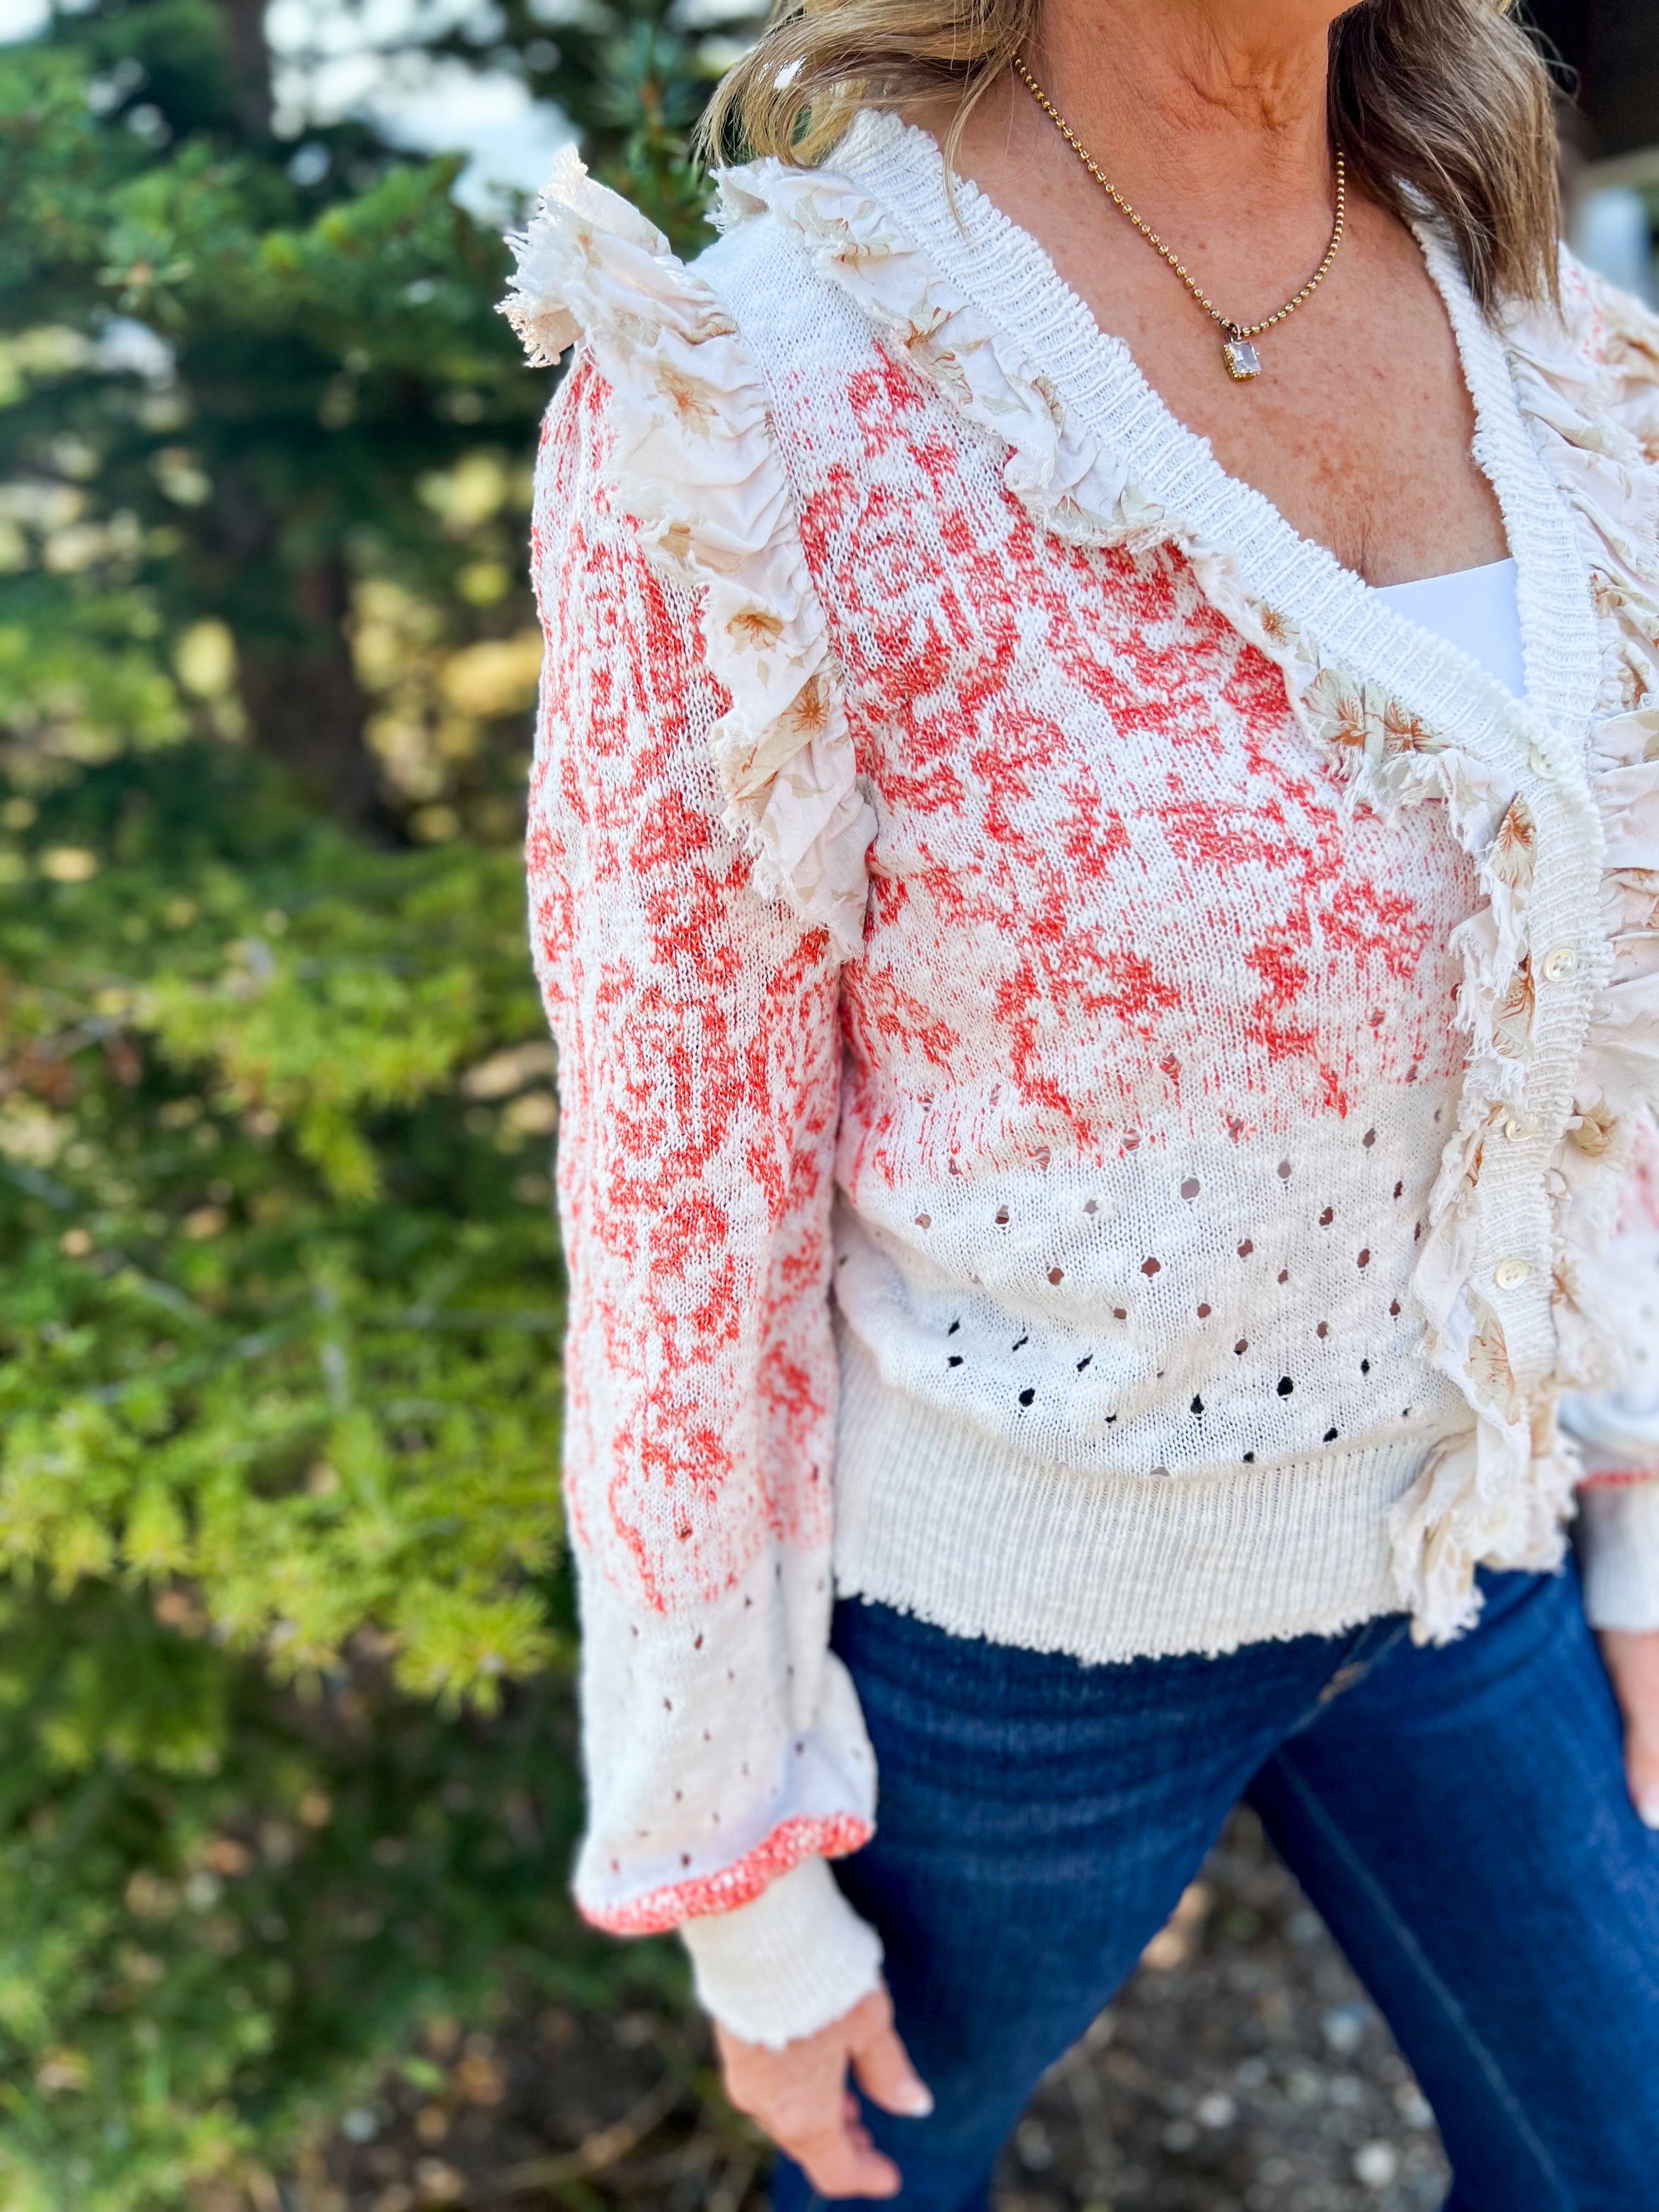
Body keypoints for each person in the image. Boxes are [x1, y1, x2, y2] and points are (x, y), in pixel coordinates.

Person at [503, 0, 1659, 2200]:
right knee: (877, 2185)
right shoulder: (767, 400)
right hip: (1017, 1665)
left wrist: (1640, 1505)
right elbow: (677, 1217)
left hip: (1468, 1552)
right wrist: (733, 1869)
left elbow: (1607, 999)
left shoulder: (1548, 345)